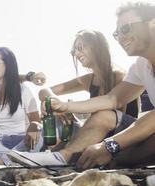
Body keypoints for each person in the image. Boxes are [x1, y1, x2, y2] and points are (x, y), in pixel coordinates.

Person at [24, 1, 155, 169]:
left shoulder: (119, 74)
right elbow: (113, 99)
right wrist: (64, 106)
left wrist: (109, 145)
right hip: (138, 135)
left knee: (107, 124)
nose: (121, 37)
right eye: (117, 33)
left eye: (126, 28)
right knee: (103, 119)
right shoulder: (140, 67)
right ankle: (62, 157)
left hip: (135, 134)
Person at [38, 30, 138, 150]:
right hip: (96, 131)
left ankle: (59, 154)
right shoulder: (88, 79)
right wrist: (59, 105)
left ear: (96, 47)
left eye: (80, 47)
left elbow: (114, 122)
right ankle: (52, 153)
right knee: (58, 116)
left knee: (104, 116)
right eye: (73, 51)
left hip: (121, 135)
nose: (76, 53)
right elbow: (44, 90)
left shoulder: (119, 75)